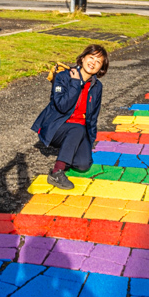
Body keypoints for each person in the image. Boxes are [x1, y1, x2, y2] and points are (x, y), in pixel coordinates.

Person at [31, 44, 109, 190]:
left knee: (83, 164)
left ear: (101, 69)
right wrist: (75, 83)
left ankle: (69, 147)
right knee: (78, 129)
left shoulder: (97, 87)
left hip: (77, 131)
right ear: (83, 58)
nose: (93, 63)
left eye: (98, 62)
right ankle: (56, 172)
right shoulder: (63, 77)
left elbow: (93, 118)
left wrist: (88, 142)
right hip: (56, 127)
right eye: (91, 57)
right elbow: (62, 106)